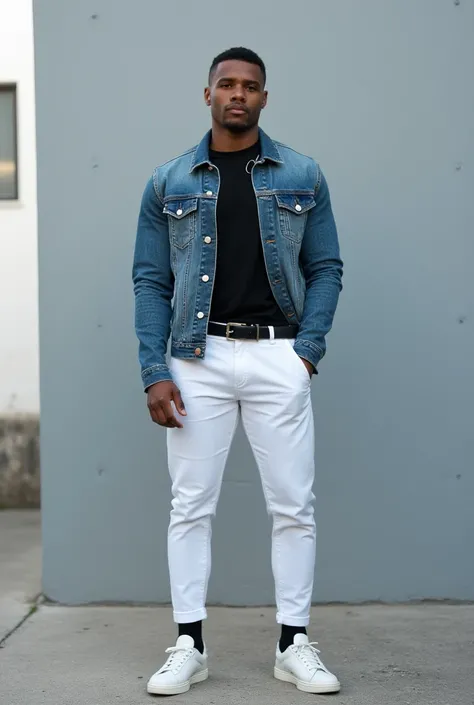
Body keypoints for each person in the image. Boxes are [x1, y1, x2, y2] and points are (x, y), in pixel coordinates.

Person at [133, 46, 343, 697]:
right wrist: (153, 369)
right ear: (208, 94)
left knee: (293, 505)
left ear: (263, 98)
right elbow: (150, 280)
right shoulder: (169, 181)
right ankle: (189, 643)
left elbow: (326, 267)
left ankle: (293, 643)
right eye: (227, 83)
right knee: (190, 505)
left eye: (250, 86)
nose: (238, 94)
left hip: (278, 353)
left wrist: (307, 348)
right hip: (196, 359)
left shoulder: (303, 173)